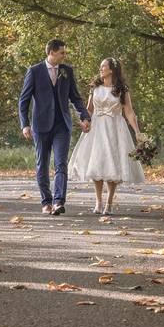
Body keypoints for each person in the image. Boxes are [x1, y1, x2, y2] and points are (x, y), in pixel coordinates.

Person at [18, 39, 91, 216]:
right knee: (42, 164)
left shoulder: (67, 71)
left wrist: (84, 115)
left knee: (61, 163)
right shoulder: (34, 71)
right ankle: (46, 202)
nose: (64, 56)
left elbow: (75, 97)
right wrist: (25, 124)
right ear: (52, 52)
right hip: (41, 125)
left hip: (61, 125)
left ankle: (58, 201)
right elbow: (24, 100)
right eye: (62, 53)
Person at [68, 57, 146, 215]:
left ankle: (109, 202)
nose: (100, 69)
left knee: (113, 164)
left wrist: (137, 132)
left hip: (115, 127)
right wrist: (85, 121)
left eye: (103, 66)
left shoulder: (121, 89)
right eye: (100, 66)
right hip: (97, 127)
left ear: (111, 70)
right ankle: (98, 201)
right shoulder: (95, 87)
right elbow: (89, 109)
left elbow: (129, 112)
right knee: (96, 163)